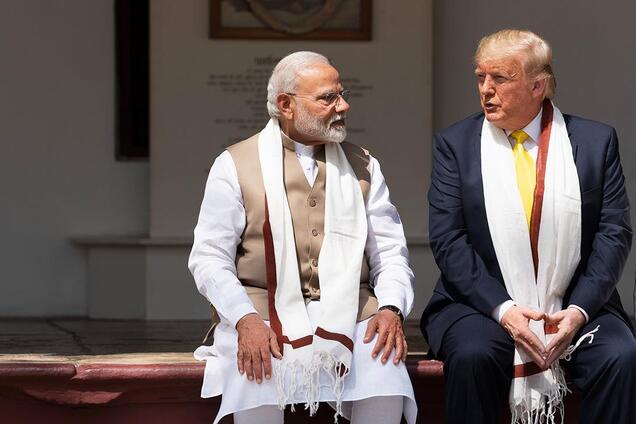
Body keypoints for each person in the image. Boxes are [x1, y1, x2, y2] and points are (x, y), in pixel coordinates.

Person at [420, 29, 636, 424]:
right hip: (480, 302)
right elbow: (449, 239)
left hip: (576, 301)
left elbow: (614, 234)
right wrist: (505, 311)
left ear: (538, 85)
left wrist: (578, 311)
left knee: (620, 356)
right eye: (480, 77)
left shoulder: (595, 141)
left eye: (500, 78)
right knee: (474, 355)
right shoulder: (456, 144)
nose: (486, 89)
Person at [189, 51, 416, 424]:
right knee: (256, 371)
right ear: (286, 105)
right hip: (260, 311)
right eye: (328, 98)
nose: (343, 106)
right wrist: (243, 319)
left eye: (341, 94)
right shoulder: (234, 164)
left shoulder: (363, 164)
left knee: (384, 368)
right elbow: (209, 258)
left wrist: (391, 308)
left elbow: (390, 253)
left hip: (353, 311)